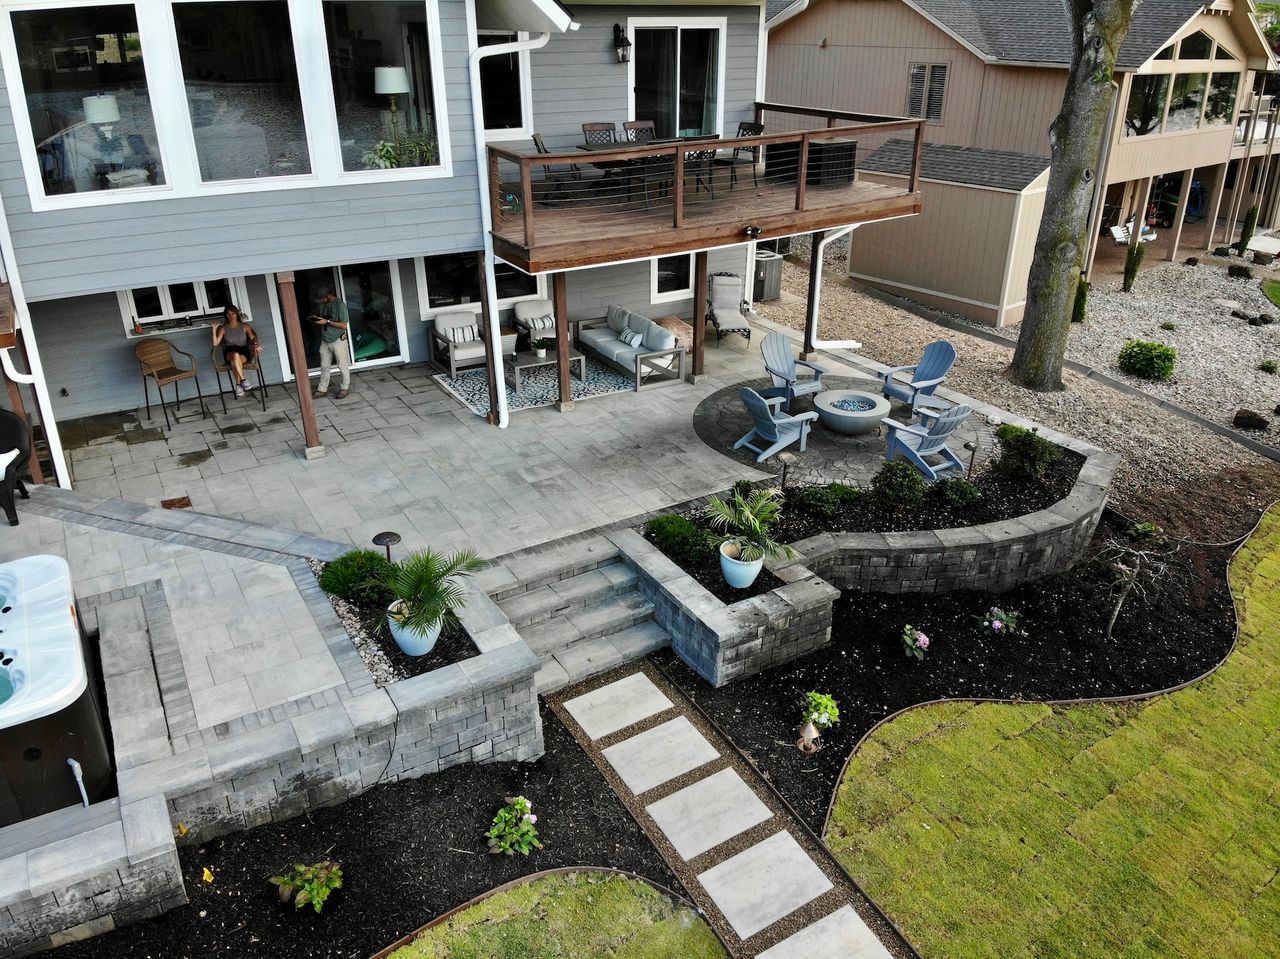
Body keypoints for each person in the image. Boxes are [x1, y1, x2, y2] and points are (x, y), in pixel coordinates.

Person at [211, 304, 262, 398]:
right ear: (226, 315)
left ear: (237, 314)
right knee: (235, 356)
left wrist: (256, 344)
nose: (231, 316)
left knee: (235, 362)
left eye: (233, 313)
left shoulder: (245, 326)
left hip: (243, 351)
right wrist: (214, 329)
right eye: (228, 314)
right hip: (230, 352)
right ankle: (243, 380)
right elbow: (215, 343)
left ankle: (238, 385)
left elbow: (253, 338)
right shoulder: (223, 328)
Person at [310, 291, 351, 400]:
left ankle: (344, 388)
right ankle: (322, 389)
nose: (321, 302)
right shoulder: (324, 304)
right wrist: (317, 318)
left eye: (322, 299)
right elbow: (324, 318)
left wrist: (327, 321)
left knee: (342, 365)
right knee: (324, 365)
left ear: (328, 296)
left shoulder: (340, 306)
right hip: (325, 339)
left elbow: (343, 325)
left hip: (338, 339)